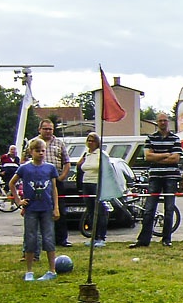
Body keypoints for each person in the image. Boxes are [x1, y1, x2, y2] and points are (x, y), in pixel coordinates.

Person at [10, 138, 60, 281]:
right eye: (37, 151)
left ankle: (52, 270)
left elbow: (54, 188)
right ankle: (29, 271)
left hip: (47, 208)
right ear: (31, 152)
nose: (41, 153)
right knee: (30, 238)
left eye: (43, 151)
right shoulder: (24, 168)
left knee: (49, 237)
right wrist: (19, 201)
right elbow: (12, 183)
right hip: (31, 209)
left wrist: (56, 207)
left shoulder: (50, 168)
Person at [129, 113, 182, 248]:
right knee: (149, 208)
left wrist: (156, 156)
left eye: (165, 120)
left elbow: (175, 159)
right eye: (160, 121)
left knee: (169, 208)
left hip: (171, 177)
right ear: (157, 123)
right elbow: (148, 157)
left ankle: (166, 239)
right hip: (155, 177)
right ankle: (144, 240)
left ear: (168, 122)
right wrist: (165, 155)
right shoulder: (150, 138)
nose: (163, 123)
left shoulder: (176, 138)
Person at [24, 119, 71, 247]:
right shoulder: (32, 143)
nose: (48, 131)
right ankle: (38, 243)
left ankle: (61, 239)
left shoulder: (59, 143)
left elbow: (67, 162)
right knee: (37, 210)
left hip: (55, 180)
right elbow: (24, 161)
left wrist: (61, 177)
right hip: (36, 182)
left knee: (59, 209)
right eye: (45, 128)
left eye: (50, 129)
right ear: (40, 129)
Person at [76, 133, 109, 247]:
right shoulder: (86, 154)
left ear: (97, 142)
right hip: (86, 183)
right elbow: (81, 167)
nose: (90, 143)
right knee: (90, 211)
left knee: (100, 211)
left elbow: (106, 169)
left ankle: (101, 237)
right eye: (88, 141)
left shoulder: (101, 154)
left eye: (93, 141)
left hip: (97, 183)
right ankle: (93, 236)